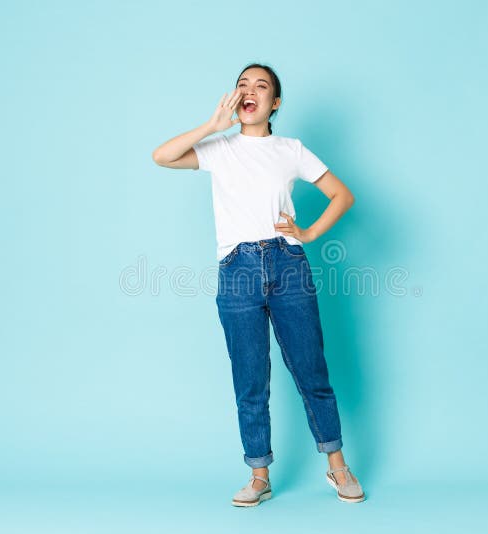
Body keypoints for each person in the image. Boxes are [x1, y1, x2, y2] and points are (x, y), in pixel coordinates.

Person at [152, 63, 364, 506]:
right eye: (242, 85)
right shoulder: (219, 147)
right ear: (235, 99)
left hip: (287, 264)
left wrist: (306, 233)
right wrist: (213, 125)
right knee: (250, 379)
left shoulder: (291, 149)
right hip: (237, 270)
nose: (250, 90)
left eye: (261, 85)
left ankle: (338, 468)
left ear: (275, 103)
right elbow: (162, 156)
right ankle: (259, 475)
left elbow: (342, 195)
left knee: (312, 371)